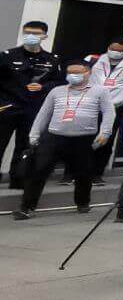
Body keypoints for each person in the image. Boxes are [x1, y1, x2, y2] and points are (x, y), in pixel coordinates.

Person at [17, 60, 115, 217]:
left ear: (87, 73)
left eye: (77, 72)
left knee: (84, 173)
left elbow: (109, 112)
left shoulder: (100, 91)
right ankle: (26, 207)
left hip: (83, 138)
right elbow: (44, 113)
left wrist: (105, 132)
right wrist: (34, 134)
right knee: (38, 171)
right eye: (70, 72)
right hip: (54, 137)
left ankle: (82, 202)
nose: (73, 75)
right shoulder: (57, 91)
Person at [0, 20, 60, 186]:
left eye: (35, 33)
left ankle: (18, 180)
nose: (30, 37)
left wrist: (43, 86)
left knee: (25, 145)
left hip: (33, 108)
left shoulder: (51, 59)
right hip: (7, 107)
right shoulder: (7, 56)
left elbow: (58, 82)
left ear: (44, 36)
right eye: (27, 33)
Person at [86, 35, 123, 170]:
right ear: (108, 47)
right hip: (89, 105)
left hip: (114, 107)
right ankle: (72, 173)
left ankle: (96, 173)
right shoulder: (92, 60)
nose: (115, 52)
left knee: (106, 140)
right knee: (83, 138)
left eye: (120, 50)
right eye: (113, 49)